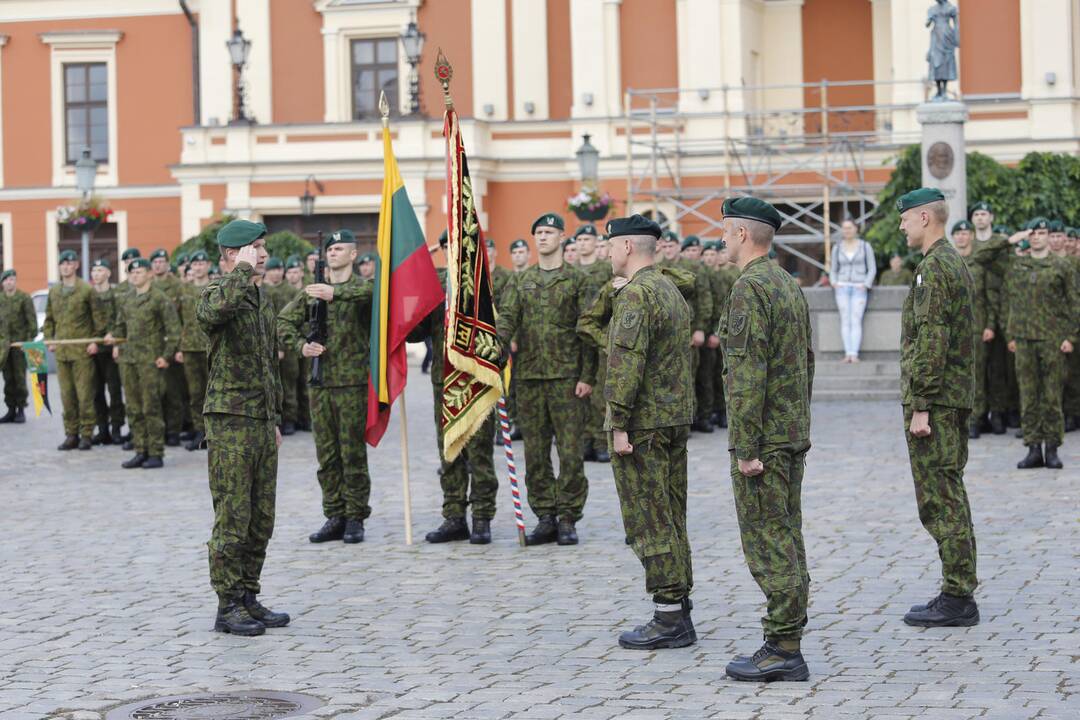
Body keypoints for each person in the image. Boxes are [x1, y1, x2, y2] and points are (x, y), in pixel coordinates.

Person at [717, 197, 813, 682]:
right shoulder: (786, 283)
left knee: (769, 539)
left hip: (766, 440)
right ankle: (786, 635)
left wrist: (747, 447)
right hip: (790, 431)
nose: (721, 239)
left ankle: (783, 646)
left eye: (725, 230)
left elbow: (747, 374)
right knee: (786, 532)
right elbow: (805, 362)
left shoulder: (749, 288)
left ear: (741, 235)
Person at [599, 214, 696, 650]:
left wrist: (618, 422)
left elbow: (625, 364)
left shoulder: (636, 295)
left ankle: (669, 616)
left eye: (610, 245)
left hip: (644, 423)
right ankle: (680, 605)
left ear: (625, 247)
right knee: (672, 515)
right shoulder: (671, 289)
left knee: (649, 519)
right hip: (673, 417)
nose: (607, 253)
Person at [197, 218, 289, 637]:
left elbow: (269, 365)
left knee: (260, 517)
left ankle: (249, 595)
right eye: (255, 247)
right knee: (232, 516)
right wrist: (239, 273)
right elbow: (215, 313)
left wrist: (274, 419)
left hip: (259, 421)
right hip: (230, 421)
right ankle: (227, 604)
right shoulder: (219, 292)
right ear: (232, 254)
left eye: (263, 246)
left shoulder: (258, 298)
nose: (264, 254)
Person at [895, 187, 980, 628]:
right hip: (953, 396)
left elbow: (933, 340)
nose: (902, 225)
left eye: (906, 218)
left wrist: (921, 405)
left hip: (938, 402)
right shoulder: (952, 262)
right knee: (949, 490)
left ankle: (958, 594)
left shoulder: (935, 267)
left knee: (941, 497)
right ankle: (956, 588)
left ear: (925, 218)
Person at [496, 212, 595, 545]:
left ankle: (568, 516)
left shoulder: (578, 281)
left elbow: (589, 331)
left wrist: (587, 376)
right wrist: (496, 346)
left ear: (562, 237)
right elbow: (507, 319)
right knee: (535, 454)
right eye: (538, 232)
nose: (542, 237)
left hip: (568, 379)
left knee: (569, 453)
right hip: (530, 378)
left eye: (549, 232)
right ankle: (546, 516)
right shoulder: (520, 282)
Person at [279, 229, 374, 545]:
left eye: (340, 248)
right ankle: (334, 514)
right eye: (329, 249)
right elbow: (283, 323)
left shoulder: (363, 288)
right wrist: (300, 346)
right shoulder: (312, 292)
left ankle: (355, 517)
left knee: (352, 453)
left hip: (352, 384)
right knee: (327, 455)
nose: (333, 252)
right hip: (320, 384)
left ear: (353, 254)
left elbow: (374, 296)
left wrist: (336, 294)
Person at [411, 230, 499, 544]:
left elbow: (500, 327)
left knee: (480, 452)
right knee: (449, 450)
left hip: (477, 379)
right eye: (447, 245)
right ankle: (454, 516)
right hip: (445, 379)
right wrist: (407, 308)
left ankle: (482, 517)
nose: (453, 251)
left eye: (458, 245)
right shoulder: (433, 282)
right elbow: (417, 332)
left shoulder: (486, 281)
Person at [1004, 218, 1078, 469]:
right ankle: (1033, 447)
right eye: (1033, 233)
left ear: (1049, 236)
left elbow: (1074, 303)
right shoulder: (1017, 264)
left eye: (1042, 233)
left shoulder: (1062, 265)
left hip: (1052, 340)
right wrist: (1012, 238)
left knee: (1052, 396)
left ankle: (1052, 448)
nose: (1037, 237)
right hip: (1024, 340)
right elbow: (986, 257)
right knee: (1028, 396)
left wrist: (1071, 336)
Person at [109, 258, 180, 470]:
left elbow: (174, 331)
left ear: (149, 273)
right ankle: (140, 450)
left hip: (150, 361)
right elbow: (121, 327)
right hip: (129, 360)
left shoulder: (159, 298)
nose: (135, 276)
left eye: (139, 272)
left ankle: (156, 452)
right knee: (133, 407)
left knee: (151, 407)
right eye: (132, 273)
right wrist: (113, 336)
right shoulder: (127, 298)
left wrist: (166, 356)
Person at [43, 250, 108, 451]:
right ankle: (71, 434)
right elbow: (49, 320)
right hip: (62, 353)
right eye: (63, 264)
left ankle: (86, 434)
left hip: (82, 352)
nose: (66, 267)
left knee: (84, 395)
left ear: (76, 266)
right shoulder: (54, 292)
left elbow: (100, 319)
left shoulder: (86, 290)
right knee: (67, 396)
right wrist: (49, 339)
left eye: (70, 264)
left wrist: (95, 341)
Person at [656, 232, 713, 432]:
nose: (668, 250)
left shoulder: (693, 267)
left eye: (672, 246)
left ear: (678, 246)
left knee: (687, 378)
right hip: (663, 333)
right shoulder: (656, 267)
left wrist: (700, 329)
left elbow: (704, 299)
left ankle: (687, 421)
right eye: (665, 246)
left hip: (687, 331)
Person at [970, 202, 1016, 433]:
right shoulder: (970, 244)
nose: (980, 218)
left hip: (1001, 305)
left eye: (984, 214)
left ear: (991, 217)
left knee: (999, 366)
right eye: (976, 214)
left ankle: (998, 412)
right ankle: (980, 414)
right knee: (979, 367)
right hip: (980, 310)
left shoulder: (1001, 242)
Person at [952, 221, 998, 439]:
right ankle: (961, 416)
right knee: (959, 376)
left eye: (964, 233)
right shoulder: (949, 263)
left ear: (971, 236)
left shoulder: (980, 265)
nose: (961, 237)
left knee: (977, 375)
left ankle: (977, 418)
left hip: (978, 327)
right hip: (955, 330)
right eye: (957, 234)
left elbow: (989, 297)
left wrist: (990, 325)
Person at [575, 223, 613, 464]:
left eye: (588, 240)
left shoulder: (605, 270)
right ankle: (586, 440)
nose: (583, 244)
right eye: (579, 240)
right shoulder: (570, 270)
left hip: (598, 334)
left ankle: (601, 442)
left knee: (599, 392)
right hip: (575, 338)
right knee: (579, 392)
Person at [176, 250, 213, 451]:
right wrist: (179, 347)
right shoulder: (184, 290)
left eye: (201, 264)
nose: (198, 268)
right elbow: (178, 320)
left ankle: (214, 431)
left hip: (211, 347)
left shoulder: (215, 288)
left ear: (208, 265)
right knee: (195, 393)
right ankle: (200, 431)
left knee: (213, 391)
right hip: (190, 347)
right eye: (195, 265)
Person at [150, 248, 186, 446]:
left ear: (167, 264)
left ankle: (174, 430)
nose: (158, 265)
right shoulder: (148, 286)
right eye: (155, 262)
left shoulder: (177, 286)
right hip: (153, 345)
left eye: (162, 261)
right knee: (155, 392)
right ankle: (158, 430)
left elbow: (182, 319)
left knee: (173, 391)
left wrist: (179, 347)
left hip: (172, 344)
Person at [829, 219, 876, 363]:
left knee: (856, 319)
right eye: (844, 228)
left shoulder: (864, 246)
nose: (846, 231)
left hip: (859, 287)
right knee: (845, 320)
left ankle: (854, 353)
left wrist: (866, 284)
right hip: (842, 287)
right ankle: (847, 353)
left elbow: (872, 268)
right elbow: (833, 268)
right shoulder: (837, 247)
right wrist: (834, 282)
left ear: (856, 229)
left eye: (849, 228)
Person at [89, 258, 125, 444]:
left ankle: (116, 428)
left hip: (111, 351)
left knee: (114, 391)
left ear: (108, 273)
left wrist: (117, 343)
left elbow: (121, 319)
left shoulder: (117, 294)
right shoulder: (89, 295)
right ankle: (102, 429)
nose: (96, 274)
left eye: (100, 270)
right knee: (96, 393)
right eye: (94, 271)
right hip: (92, 350)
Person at [275, 256, 310, 434]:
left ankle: (306, 417)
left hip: (307, 341)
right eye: (290, 272)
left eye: (296, 271)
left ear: (302, 272)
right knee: (289, 382)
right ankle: (290, 418)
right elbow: (280, 321)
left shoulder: (309, 289)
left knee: (306, 380)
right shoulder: (280, 292)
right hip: (289, 344)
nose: (293, 275)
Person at [0, 269, 37, 424]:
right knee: (8, 379)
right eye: (7, 280)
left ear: (15, 281)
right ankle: (10, 409)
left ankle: (21, 409)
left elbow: (32, 323)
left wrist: (28, 342)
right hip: (4, 347)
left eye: (12, 280)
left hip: (19, 346)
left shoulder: (24, 298)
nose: (10, 282)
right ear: (2, 283)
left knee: (20, 378)